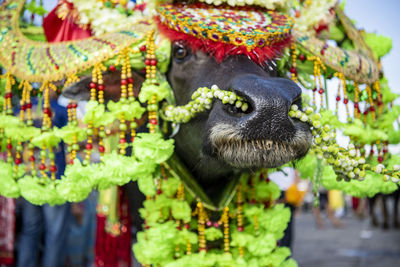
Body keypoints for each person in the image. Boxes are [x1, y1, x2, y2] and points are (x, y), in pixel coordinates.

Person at [17, 95, 71, 267]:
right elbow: (72, 141)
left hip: (29, 175)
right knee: (55, 232)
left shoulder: (22, 111)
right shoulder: (61, 111)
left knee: (30, 229)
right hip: (53, 177)